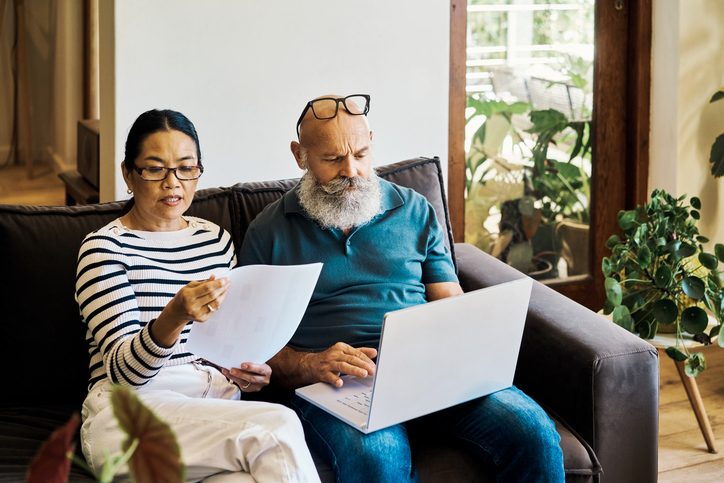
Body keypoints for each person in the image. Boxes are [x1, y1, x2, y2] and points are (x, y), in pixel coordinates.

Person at [239, 95, 565, 483]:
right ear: (301, 155)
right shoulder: (268, 232)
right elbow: (252, 347)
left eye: (360, 154)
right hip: (338, 384)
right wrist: (311, 364)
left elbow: (450, 301)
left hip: (429, 370)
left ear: (371, 141)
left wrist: (467, 343)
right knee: (378, 460)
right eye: (332, 160)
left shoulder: (415, 210)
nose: (352, 171)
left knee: (535, 434)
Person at [76, 109, 320, 483]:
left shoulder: (215, 240)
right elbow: (124, 376)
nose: (173, 183)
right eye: (155, 169)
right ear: (128, 173)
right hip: (131, 415)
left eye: (186, 168)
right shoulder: (105, 249)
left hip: (212, 411)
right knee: (277, 427)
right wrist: (174, 316)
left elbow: (228, 345)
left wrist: (246, 373)